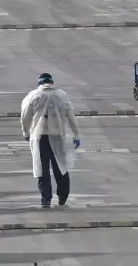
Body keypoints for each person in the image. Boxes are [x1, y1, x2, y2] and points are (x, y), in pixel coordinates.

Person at [20, 73, 81, 208]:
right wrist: (76, 135)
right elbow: (70, 116)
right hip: (58, 135)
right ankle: (63, 197)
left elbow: (25, 117)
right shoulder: (61, 95)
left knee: (42, 169)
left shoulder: (33, 96)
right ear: (52, 82)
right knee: (61, 167)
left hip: (39, 137)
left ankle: (46, 199)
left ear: (39, 83)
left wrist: (26, 132)